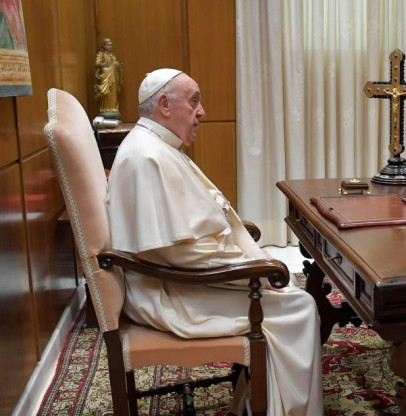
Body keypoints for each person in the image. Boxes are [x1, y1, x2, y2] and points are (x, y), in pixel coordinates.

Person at [106, 68, 323, 416]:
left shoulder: (156, 147)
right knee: (299, 308)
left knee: (289, 295)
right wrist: (253, 269)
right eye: (194, 102)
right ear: (164, 103)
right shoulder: (147, 157)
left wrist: (248, 259)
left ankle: (260, 400)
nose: (202, 112)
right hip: (169, 294)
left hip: (176, 280)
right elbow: (176, 252)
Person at [94, 38, 123, 119]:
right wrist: (105, 65)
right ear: (104, 46)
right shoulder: (101, 55)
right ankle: (105, 108)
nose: (110, 46)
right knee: (105, 93)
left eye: (111, 45)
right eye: (108, 45)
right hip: (105, 76)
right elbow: (97, 64)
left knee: (112, 92)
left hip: (113, 78)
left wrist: (117, 65)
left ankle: (113, 108)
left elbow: (115, 64)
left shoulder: (112, 56)